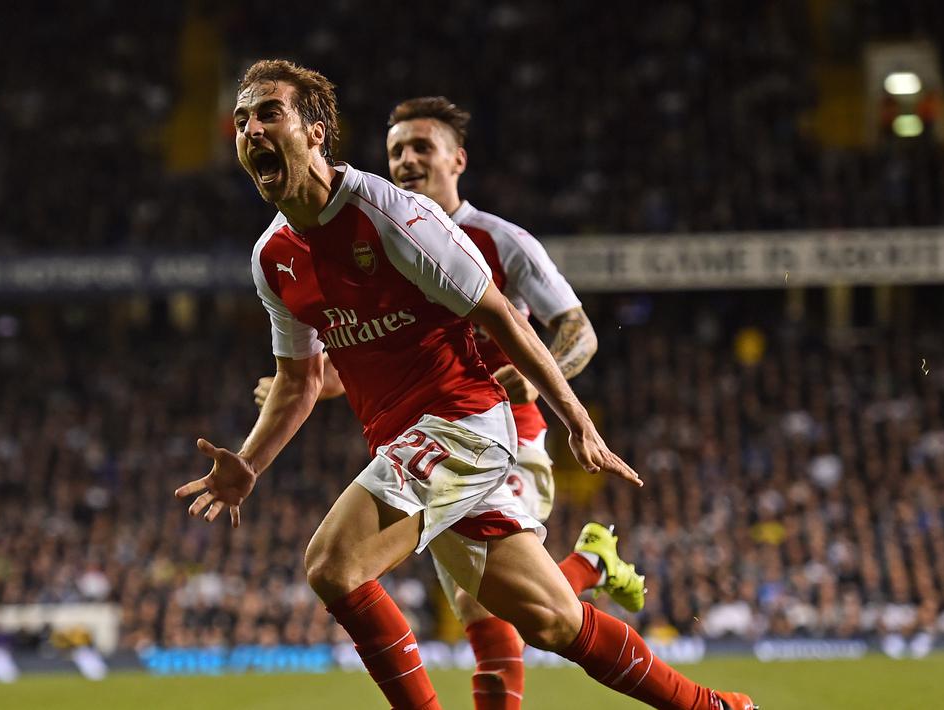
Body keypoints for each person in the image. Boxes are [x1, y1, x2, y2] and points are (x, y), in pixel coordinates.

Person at [176, 59, 756, 710]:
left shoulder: (386, 213)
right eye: (240, 119)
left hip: (464, 425)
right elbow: (298, 379)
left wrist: (578, 423)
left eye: (268, 113)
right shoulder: (272, 257)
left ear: (316, 133)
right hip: (405, 442)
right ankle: (714, 707)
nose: (250, 128)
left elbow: (506, 317)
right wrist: (248, 463)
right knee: (550, 621)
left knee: (333, 566)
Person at [253, 95, 648, 710]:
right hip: (422, 437)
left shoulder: (499, 240)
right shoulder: (384, 233)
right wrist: (310, 384)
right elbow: (379, 347)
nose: (406, 160)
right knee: (523, 609)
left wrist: (536, 382)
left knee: (482, 605)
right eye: (395, 151)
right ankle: (594, 567)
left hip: (502, 431)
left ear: (456, 159)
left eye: (420, 148)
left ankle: (593, 573)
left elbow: (578, 331)